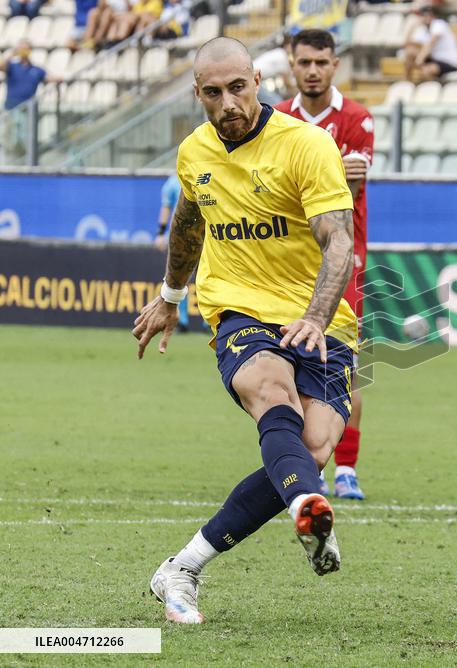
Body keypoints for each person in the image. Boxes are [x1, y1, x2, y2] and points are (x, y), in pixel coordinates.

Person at [133, 36, 357, 624]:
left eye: (238, 87)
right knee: (270, 390)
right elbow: (188, 224)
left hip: (321, 318)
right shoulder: (195, 152)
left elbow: (339, 241)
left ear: (258, 80)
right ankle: (308, 504)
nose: (228, 102)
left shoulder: (306, 145)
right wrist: (170, 297)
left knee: (312, 448)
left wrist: (316, 317)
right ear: (197, 93)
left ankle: (183, 566)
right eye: (213, 92)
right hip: (239, 310)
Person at [275, 29, 374, 501]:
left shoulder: (357, 118)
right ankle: (303, 464)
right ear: (291, 65)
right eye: (305, 62)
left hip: (342, 262)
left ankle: (347, 468)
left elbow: (345, 192)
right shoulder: (277, 118)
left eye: (321, 62)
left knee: (344, 366)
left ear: (335, 65)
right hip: (287, 263)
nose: (313, 70)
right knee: (287, 367)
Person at [153, 173, 193, 332]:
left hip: (199, 235)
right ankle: (183, 320)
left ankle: (206, 321)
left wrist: (160, 233)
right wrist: (161, 233)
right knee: (181, 278)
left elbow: (166, 207)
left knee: (186, 277)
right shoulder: (173, 182)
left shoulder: (174, 181)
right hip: (182, 237)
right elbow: (166, 206)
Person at [404, 5, 457, 82]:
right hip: (436, 60)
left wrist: (420, 59)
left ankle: (428, 87)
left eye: (429, 15)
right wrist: (412, 27)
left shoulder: (439, 24)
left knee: (426, 70)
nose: (427, 17)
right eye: (424, 15)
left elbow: (431, 43)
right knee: (410, 53)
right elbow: (407, 45)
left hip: (449, 62)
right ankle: (407, 82)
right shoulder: (424, 29)